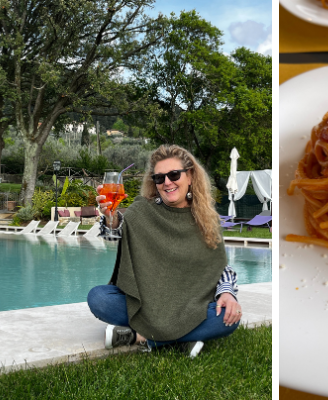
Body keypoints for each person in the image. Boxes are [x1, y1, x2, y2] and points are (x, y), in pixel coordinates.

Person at [86, 145, 241, 357]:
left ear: (191, 176)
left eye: (174, 174)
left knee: (228, 316)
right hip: (148, 303)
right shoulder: (143, 210)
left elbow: (219, 266)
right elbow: (116, 232)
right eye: (159, 178)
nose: (167, 182)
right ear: (154, 182)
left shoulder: (207, 220)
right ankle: (180, 340)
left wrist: (227, 293)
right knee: (99, 298)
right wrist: (111, 219)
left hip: (189, 305)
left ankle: (142, 337)